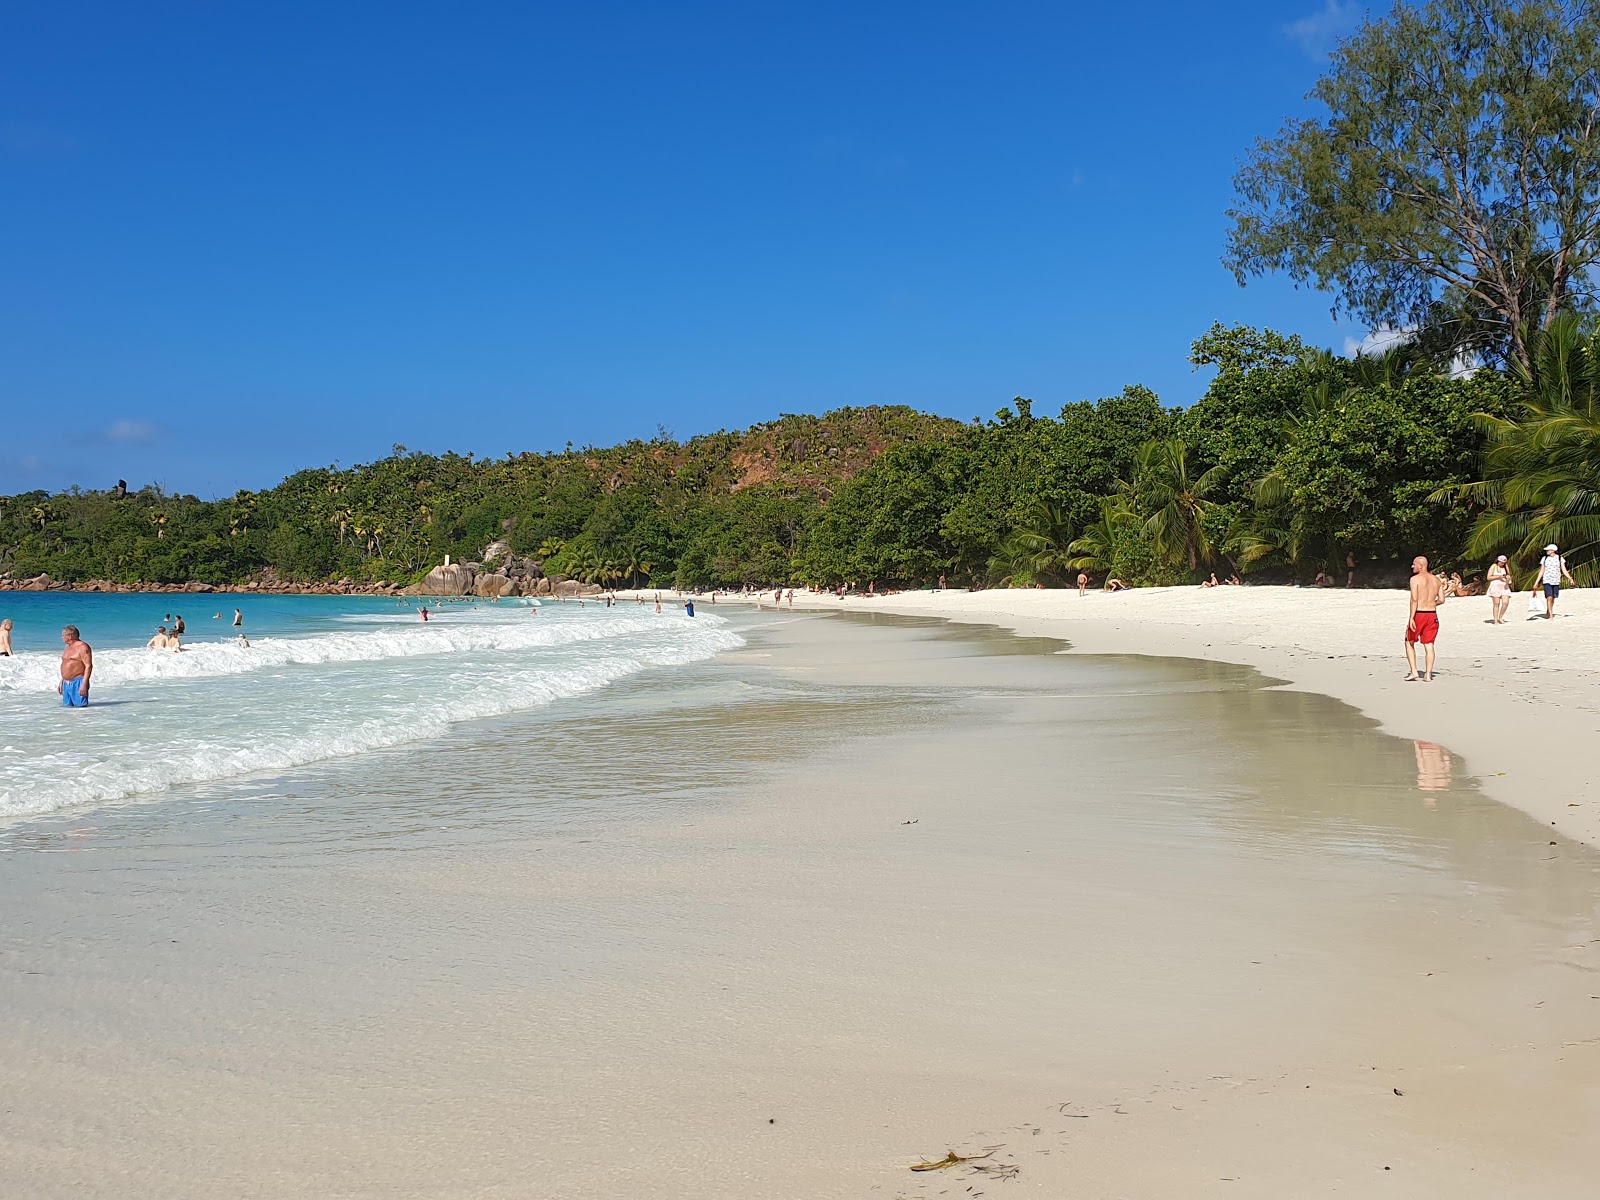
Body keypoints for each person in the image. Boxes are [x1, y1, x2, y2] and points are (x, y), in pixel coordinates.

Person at [1404, 555, 1446, 682]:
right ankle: (1428, 675)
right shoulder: (1436, 580)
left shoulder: (1415, 579)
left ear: (1420, 566)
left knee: (1409, 641)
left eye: (1414, 564)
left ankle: (1414, 671)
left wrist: (1411, 617)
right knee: (1429, 644)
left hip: (1419, 614)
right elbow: (1442, 600)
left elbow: (1414, 599)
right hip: (1432, 615)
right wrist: (1432, 604)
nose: (1412, 566)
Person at [1534, 543, 1575, 619]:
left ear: (1553, 551)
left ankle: (1549, 610)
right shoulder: (1544, 559)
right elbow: (1541, 571)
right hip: (1547, 580)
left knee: (1553, 597)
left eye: (1548, 550)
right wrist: (1536, 582)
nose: (1546, 551)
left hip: (1556, 581)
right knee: (1549, 597)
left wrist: (1570, 578)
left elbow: (1564, 570)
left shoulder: (1560, 559)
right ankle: (1551, 615)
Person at [58, 625, 93, 707]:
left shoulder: (83, 647)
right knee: (68, 711)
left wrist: (84, 684)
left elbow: (89, 666)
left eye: (63, 635)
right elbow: (66, 664)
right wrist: (62, 681)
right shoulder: (67, 647)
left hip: (78, 682)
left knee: (80, 710)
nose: (62, 637)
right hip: (66, 683)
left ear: (70, 636)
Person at [1486, 554, 1512, 623]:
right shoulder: (1494, 566)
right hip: (1495, 586)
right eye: (1501, 562)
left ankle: (1500, 617)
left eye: (1504, 562)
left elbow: (1508, 576)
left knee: (1505, 602)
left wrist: (1508, 579)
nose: (1503, 564)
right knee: (1496, 603)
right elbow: (1488, 577)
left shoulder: (1506, 567)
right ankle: (1495, 620)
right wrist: (1498, 577)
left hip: (1504, 586)